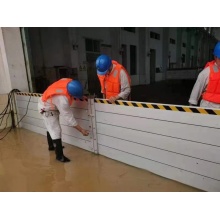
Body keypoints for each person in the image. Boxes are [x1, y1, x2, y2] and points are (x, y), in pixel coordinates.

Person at [38, 78, 89, 163]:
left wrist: (80, 96)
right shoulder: (62, 99)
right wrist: (81, 130)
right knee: (56, 130)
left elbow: (72, 94)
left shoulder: (68, 82)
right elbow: (69, 118)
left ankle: (51, 146)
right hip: (47, 108)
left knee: (50, 127)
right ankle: (59, 156)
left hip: (48, 102)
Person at [189, 42, 220, 108]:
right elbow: (198, 87)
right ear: (215, 57)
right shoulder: (207, 72)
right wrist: (192, 104)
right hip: (208, 106)